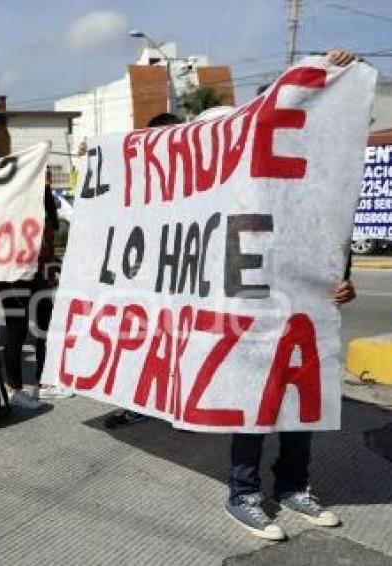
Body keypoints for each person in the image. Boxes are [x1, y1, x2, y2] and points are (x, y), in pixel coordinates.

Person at [224, 49, 359, 541]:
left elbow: (332, 250)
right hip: (256, 311)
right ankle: (242, 494)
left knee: (301, 404)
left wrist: (345, 285)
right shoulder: (244, 184)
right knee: (256, 403)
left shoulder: (321, 184)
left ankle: (293, 486)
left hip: (306, 313)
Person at [103, 112, 183, 428]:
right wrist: (98, 155)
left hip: (182, 279)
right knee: (138, 342)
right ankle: (137, 403)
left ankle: (181, 407)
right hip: (143, 279)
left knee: (181, 342)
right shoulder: (138, 176)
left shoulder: (198, 178)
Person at [0, 168, 61, 409]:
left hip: (37, 274)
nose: (46, 180)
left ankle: (43, 384)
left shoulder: (44, 197)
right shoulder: (11, 199)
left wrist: (50, 269)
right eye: (42, 175)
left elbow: (50, 238)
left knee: (47, 327)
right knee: (16, 331)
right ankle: (15, 389)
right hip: (12, 275)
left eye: (47, 176)